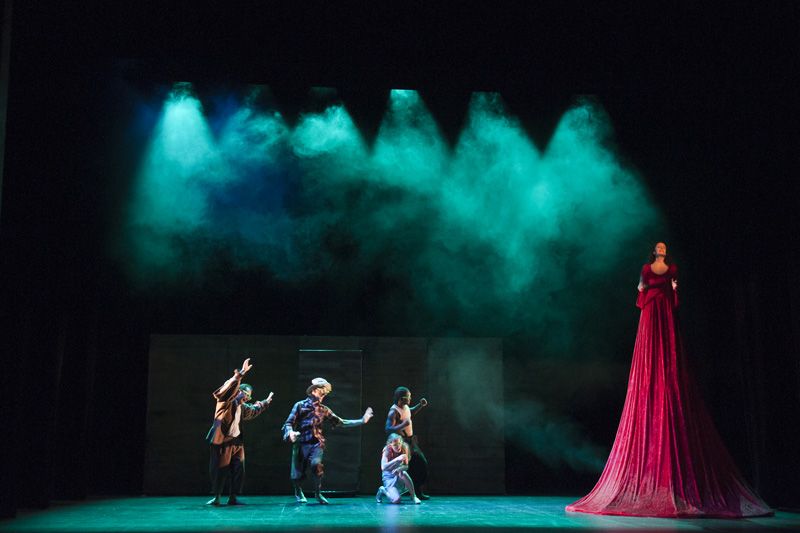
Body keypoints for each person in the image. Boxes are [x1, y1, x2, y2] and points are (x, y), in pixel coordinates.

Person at [566, 242, 772, 517]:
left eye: (664, 247)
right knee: (650, 352)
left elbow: (673, 293)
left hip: (664, 311)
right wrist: (643, 289)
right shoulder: (646, 269)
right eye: (659, 247)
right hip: (651, 312)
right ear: (654, 252)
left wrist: (672, 290)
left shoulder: (672, 269)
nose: (662, 249)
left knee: (669, 354)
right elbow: (641, 292)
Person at [283, 377, 374, 504]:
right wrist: (290, 432)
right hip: (301, 443)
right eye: (322, 391)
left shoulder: (324, 409)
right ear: (313, 391)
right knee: (297, 473)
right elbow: (288, 423)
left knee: (316, 465)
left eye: (325, 392)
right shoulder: (299, 405)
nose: (324, 394)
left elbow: (341, 422)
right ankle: (298, 490)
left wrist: (362, 420)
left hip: (316, 444)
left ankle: (318, 493)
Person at [205, 357, 273, 506]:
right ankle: (217, 497)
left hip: (237, 442)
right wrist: (239, 375)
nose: (247, 398)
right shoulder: (225, 402)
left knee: (238, 470)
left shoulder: (243, 407)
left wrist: (266, 402)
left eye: (249, 396)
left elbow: (254, 409)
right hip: (223, 440)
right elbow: (226, 390)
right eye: (246, 394)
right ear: (238, 391)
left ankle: (233, 497)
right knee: (220, 469)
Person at [385, 386, 430, 499]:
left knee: (419, 465)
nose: (410, 399)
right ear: (401, 399)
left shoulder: (405, 407)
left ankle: (416, 492)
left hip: (410, 441)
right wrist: (402, 425)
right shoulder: (393, 412)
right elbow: (388, 429)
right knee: (414, 466)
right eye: (408, 397)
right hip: (402, 442)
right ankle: (402, 492)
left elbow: (410, 412)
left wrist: (420, 405)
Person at [376, 433, 421, 504]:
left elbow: (406, 466)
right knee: (396, 500)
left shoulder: (404, 447)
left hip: (398, 474)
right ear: (390, 445)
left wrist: (399, 469)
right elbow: (383, 467)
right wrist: (397, 459)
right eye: (395, 445)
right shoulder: (387, 450)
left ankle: (414, 496)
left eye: (399, 443)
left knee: (403, 473)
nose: (398, 447)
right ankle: (383, 490)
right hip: (389, 477)